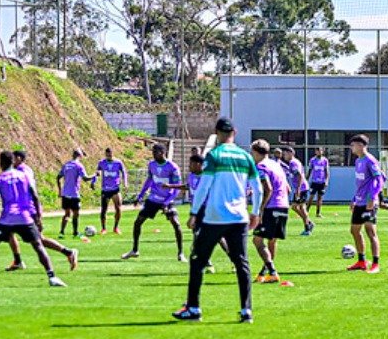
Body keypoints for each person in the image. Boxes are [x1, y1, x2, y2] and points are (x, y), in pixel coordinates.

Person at [173, 117, 260, 324]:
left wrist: (194, 212)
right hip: (239, 217)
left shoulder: (214, 155)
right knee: (242, 262)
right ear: (234, 133)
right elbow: (258, 188)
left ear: (218, 133)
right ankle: (246, 310)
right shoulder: (245, 156)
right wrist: (255, 212)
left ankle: (193, 308)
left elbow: (204, 186)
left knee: (197, 260)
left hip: (215, 217)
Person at [0, 150, 68, 288]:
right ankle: (52, 277)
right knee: (38, 245)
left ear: (1, 163)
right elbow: (35, 196)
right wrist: (39, 217)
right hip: (25, 217)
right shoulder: (24, 176)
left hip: (7, 219)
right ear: (13, 161)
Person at [4, 150, 78, 272]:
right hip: (21, 210)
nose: (12, 160)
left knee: (38, 240)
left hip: (29, 210)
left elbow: (32, 192)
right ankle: (17, 261)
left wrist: (38, 215)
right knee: (9, 232)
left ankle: (68, 252)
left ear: (20, 158)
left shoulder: (23, 171)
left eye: (14, 158)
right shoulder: (18, 170)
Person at [122, 143, 184, 261]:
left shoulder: (173, 167)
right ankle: (134, 250)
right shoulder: (151, 165)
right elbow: (149, 180)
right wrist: (140, 196)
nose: (153, 154)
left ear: (163, 153)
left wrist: (166, 203)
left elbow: (177, 188)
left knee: (176, 224)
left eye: (155, 152)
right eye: (153, 152)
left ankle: (181, 254)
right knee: (138, 222)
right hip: (153, 199)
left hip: (167, 199)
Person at [250, 140, 286, 284]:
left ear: (256, 152)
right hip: (283, 205)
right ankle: (264, 273)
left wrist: (261, 209)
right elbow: (287, 187)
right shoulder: (276, 165)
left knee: (257, 240)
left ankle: (272, 271)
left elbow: (268, 188)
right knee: (272, 241)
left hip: (271, 207)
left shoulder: (260, 166)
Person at [347, 134, 384, 273]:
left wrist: (372, 197)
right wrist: (354, 199)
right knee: (354, 230)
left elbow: (379, 179)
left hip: (369, 202)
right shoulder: (358, 161)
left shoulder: (370, 160)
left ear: (361, 145)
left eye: (353, 145)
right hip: (359, 201)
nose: (351, 148)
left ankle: (375, 264)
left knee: (370, 231)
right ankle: (361, 261)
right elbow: (361, 183)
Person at [56, 148, 94, 238]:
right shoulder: (79, 165)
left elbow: (58, 177)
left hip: (65, 193)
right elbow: (85, 178)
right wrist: (94, 175)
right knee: (76, 214)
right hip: (74, 194)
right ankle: (75, 233)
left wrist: (60, 190)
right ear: (80, 156)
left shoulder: (66, 165)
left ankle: (61, 232)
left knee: (67, 214)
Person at [280, 146, 314, 236]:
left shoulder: (293, 162)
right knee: (297, 207)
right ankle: (308, 223)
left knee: (299, 207)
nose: (284, 156)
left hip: (301, 188)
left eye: (285, 154)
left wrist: (298, 190)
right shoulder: (292, 163)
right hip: (301, 188)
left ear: (291, 153)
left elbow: (300, 176)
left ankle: (308, 227)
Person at [96, 147, 128, 234]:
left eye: (110, 154)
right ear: (105, 154)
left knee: (118, 208)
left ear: (113, 153)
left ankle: (116, 228)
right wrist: (94, 180)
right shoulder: (102, 162)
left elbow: (124, 172)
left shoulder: (118, 162)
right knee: (104, 209)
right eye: (107, 154)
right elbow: (97, 172)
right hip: (105, 189)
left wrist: (125, 183)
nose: (109, 155)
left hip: (115, 189)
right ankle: (103, 229)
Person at [307, 147, 330, 218]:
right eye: (318, 151)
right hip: (314, 181)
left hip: (322, 182)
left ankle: (318, 213)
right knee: (311, 196)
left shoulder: (325, 160)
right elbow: (310, 170)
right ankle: (306, 211)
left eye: (320, 151)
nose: (319, 152)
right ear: (315, 152)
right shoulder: (312, 160)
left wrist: (326, 181)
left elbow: (327, 172)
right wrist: (306, 180)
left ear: (322, 151)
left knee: (320, 197)